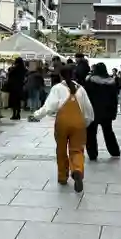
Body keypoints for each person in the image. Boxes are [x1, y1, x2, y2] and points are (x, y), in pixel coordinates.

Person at [31, 65, 94, 193]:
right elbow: (89, 112)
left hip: (62, 123)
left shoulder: (57, 88)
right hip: (79, 123)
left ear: (61, 75)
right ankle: (77, 170)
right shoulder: (81, 89)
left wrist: (36, 115)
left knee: (61, 150)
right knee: (77, 150)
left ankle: (63, 176)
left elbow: (49, 107)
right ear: (74, 75)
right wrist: (84, 123)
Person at [84, 62, 121, 161]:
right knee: (108, 132)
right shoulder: (111, 82)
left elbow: (86, 97)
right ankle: (115, 151)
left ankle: (92, 154)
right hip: (107, 111)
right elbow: (114, 99)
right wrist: (114, 113)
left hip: (93, 110)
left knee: (91, 133)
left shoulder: (89, 81)